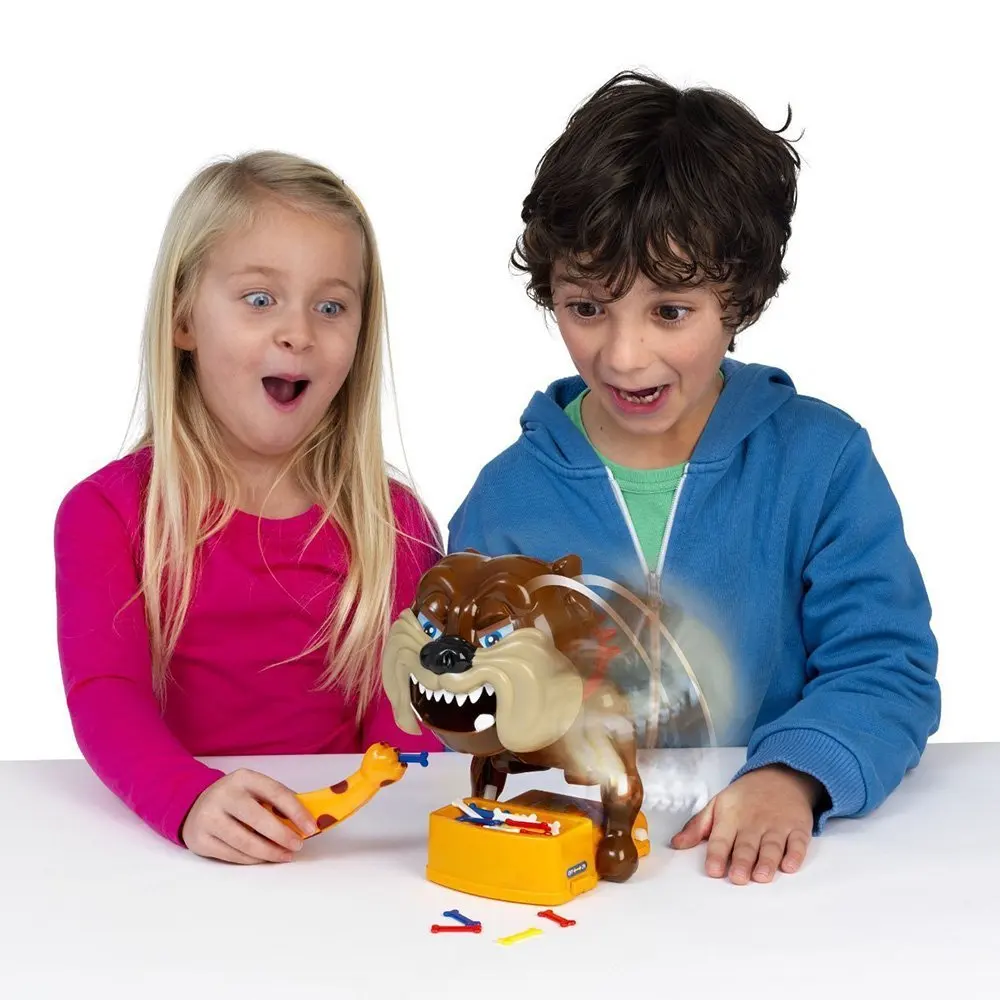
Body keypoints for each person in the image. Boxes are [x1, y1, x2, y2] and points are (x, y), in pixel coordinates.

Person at [446, 72, 940, 885]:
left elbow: (885, 665)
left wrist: (793, 776)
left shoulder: (822, 463)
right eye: (586, 307)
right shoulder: (505, 498)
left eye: (669, 311)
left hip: (770, 873)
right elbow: (467, 700)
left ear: (738, 300)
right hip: (571, 867)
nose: (623, 355)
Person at [54, 151, 443, 864]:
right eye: (260, 299)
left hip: (343, 859)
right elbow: (104, 694)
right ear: (183, 319)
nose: (299, 331)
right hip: (176, 858)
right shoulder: (104, 515)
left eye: (331, 306)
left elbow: (407, 727)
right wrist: (188, 799)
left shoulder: (396, 526)